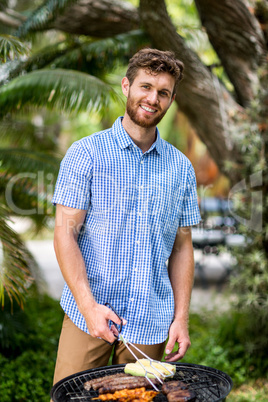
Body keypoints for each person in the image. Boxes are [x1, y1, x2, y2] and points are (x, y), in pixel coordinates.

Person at [51, 48, 201, 385]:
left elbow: (181, 247)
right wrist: (89, 308)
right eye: (145, 86)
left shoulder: (182, 169)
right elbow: (65, 234)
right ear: (126, 86)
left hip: (150, 322)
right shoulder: (86, 154)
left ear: (172, 99)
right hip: (87, 314)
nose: (153, 98)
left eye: (163, 92)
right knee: (72, 395)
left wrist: (181, 318)